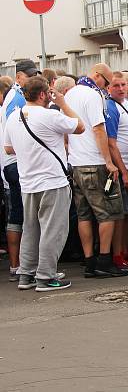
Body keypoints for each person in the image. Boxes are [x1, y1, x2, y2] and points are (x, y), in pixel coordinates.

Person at [4, 77, 84, 291]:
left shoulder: (13, 117)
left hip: (28, 182)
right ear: (43, 94)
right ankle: (46, 276)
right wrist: (64, 103)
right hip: (52, 181)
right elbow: (80, 126)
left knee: (31, 229)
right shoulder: (51, 115)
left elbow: (8, 148)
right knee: (53, 230)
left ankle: (26, 274)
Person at [66, 63, 127, 278]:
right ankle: (104, 260)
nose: (107, 87)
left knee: (84, 215)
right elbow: (99, 129)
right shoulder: (93, 96)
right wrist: (108, 161)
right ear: (99, 77)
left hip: (77, 162)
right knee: (107, 213)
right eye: (108, 82)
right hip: (94, 162)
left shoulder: (71, 93)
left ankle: (90, 260)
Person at [2, 59, 39, 282]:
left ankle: (21, 265)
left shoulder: (14, 96)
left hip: (14, 162)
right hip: (16, 162)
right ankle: (19, 265)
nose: (32, 78)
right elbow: (17, 133)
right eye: (28, 75)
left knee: (21, 215)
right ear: (18, 77)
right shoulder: (17, 98)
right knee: (22, 216)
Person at [105, 72, 128, 271]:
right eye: (116, 85)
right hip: (123, 169)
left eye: (123, 85)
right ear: (109, 88)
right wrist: (124, 171)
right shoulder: (111, 107)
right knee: (120, 215)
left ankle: (125, 251)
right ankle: (117, 255)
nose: (121, 88)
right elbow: (111, 143)